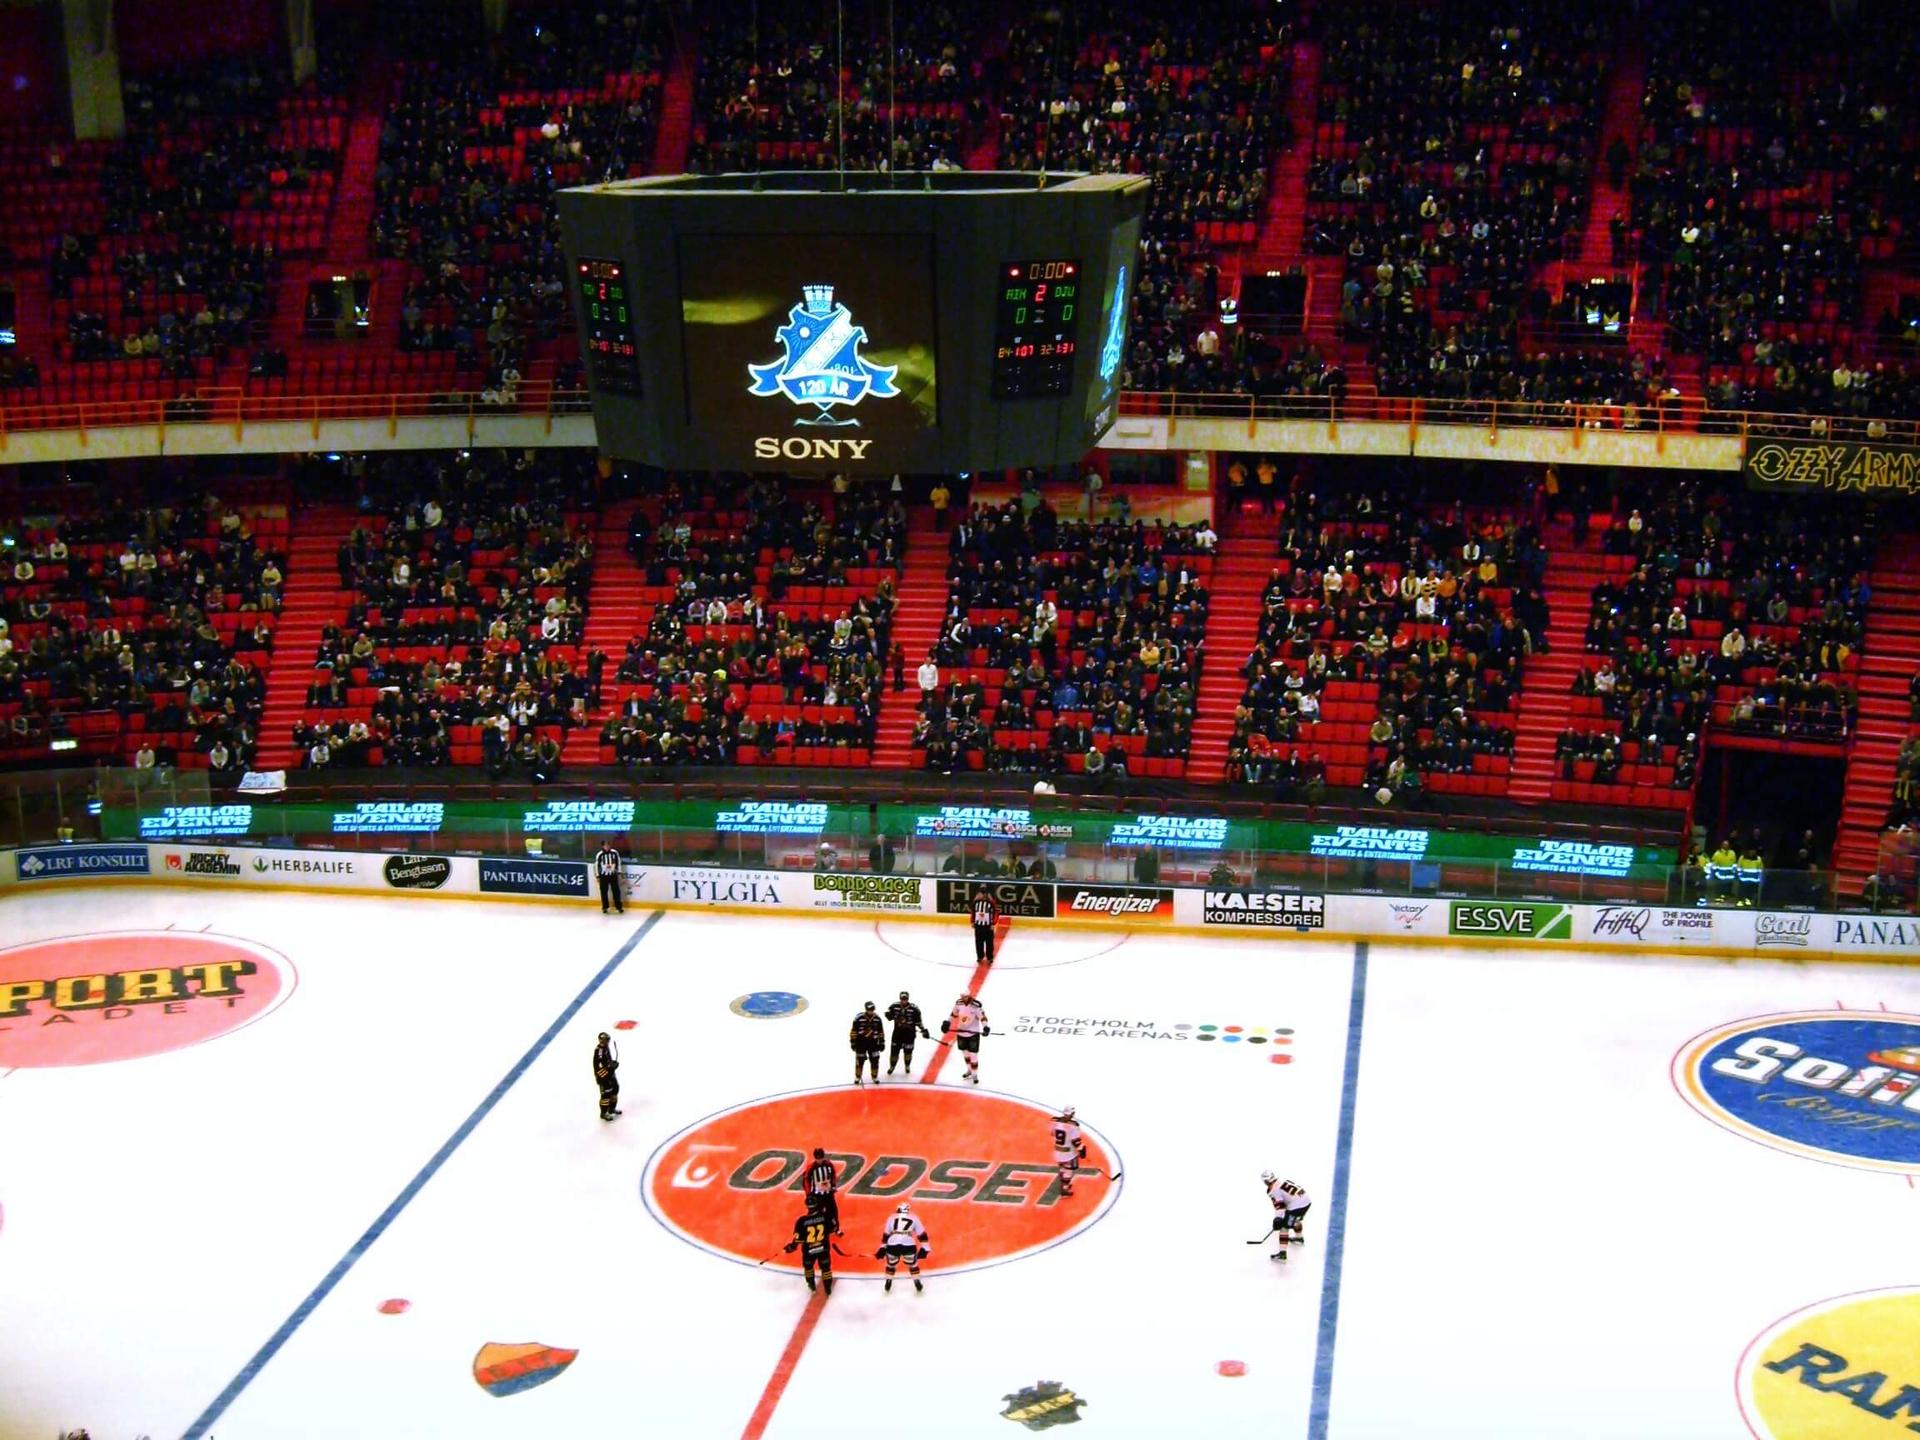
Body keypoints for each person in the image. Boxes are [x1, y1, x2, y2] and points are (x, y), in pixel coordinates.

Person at [784, 1196, 837, 1295]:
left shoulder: (802, 1221)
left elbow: (798, 1239)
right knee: (826, 1269)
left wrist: (791, 1246)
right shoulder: (826, 1216)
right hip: (823, 1249)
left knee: (808, 1268)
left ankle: (811, 1286)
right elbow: (833, 1229)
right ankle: (828, 1288)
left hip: (809, 1251)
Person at [876, 1202, 930, 1294]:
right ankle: (917, 1281)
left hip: (893, 1243)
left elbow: (886, 1234)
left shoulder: (891, 1217)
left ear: (898, 1209)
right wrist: (925, 1248)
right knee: (913, 1264)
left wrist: (882, 1247)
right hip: (908, 1243)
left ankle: (888, 1281)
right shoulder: (914, 1217)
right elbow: (922, 1234)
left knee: (891, 1265)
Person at [942, 993, 989, 1084]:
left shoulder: (976, 1006)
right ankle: (969, 1070)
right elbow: (953, 1014)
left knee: (973, 1056)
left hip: (973, 1034)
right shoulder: (959, 1003)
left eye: (966, 997)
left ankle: (975, 1074)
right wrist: (947, 1022)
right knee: (965, 1054)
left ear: (969, 996)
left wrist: (985, 1027)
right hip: (961, 1033)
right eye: (963, 997)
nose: (964, 998)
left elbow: (982, 1017)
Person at [1263, 1172, 1311, 1262]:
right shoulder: (1282, 1181)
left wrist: (1277, 1219)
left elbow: (1280, 1207)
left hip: (1297, 1207)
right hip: (1306, 1202)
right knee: (1295, 1220)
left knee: (1284, 1228)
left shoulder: (1274, 1190)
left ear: (1265, 1181)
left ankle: (1282, 1255)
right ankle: (1299, 1238)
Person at [885, 990, 930, 1076]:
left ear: (908, 999)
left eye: (905, 999)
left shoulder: (914, 1009)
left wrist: (923, 1030)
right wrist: (889, 1015)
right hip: (897, 1034)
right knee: (894, 1052)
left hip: (909, 1034)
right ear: (900, 998)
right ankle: (892, 1066)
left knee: (908, 1052)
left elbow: (918, 1022)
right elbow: (889, 1015)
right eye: (902, 999)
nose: (903, 1000)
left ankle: (907, 1065)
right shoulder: (894, 1006)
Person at [1052, 1105, 1089, 1196]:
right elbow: (1075, 1141)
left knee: (1062, 1167)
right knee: (1068, 1170)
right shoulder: (1073, 1126)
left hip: (1057, 1151)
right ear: (1072, 1114)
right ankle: (1065, 1188)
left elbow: (1052, 1133)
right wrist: (1081, 1149)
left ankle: (1063, 1182)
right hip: (1069, 1153)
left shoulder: (1055, 1122)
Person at [804, 1146, 842, 1233]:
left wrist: (833, 1186)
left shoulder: (829, 1164)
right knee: (814, 1213)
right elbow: (806, 1180)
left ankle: (836, 1228)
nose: (819, 1160)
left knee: (833, 1211)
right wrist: (809, 1194)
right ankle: (812, 1230)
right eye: (818, 1158)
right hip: (817, 1195)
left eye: (821, 1158)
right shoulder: (811, 1167)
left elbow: (833, 1176)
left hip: (828, 1193)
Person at [851, 1000, 885, 1085]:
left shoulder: (878, 1019)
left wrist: (882, 1042)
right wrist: (853, 1042)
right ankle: (858, 1077)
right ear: (866, 1009)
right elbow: (854, 1031)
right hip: (861, 1043)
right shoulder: (858, 1018)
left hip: (873, 1043)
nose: (871, 1011)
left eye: (872, 1010)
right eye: (869, 1010)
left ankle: (874, 1076)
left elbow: (881, 1032)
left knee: (875, 1060)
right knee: (860, 1060)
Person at [593, 1032, 621, 1122]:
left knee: (615, 1089)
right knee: (606, 1095)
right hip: (604, 1077)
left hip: (610, 1074)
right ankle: (603, 1113)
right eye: (606, 1040)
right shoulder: (599, 1051)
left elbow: (606, 1061)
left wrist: (611, 1064)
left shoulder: (605, 1048)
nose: (608, 1042)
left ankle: (611, 1109)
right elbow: (599, 1067)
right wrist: (610, 1068)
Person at [970, 885, 1000, 964]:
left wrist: (993, 924)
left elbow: (995, 914)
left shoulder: (991, 903)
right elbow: (973, 912)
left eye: (984, 893)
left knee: (989, 943)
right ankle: (980, 956)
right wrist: (972, 922)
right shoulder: (975, 902)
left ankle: (989, 957)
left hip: (988, 926)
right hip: (978, 925)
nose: (982, 895)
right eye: (981, 893)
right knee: (978, 942)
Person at [594, 841, 624, 914]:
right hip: (603, 876)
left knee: (616, 891)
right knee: (603, 892)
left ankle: (619, 907)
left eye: (608, 845)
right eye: (605, 846)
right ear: (602, 846)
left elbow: (618, 863)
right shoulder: (599, 854)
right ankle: (605, 907)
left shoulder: (614, 852)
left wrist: (619, 873)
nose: (607, 847)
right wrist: (598, 876)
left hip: (613, 875)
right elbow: (596, 866)